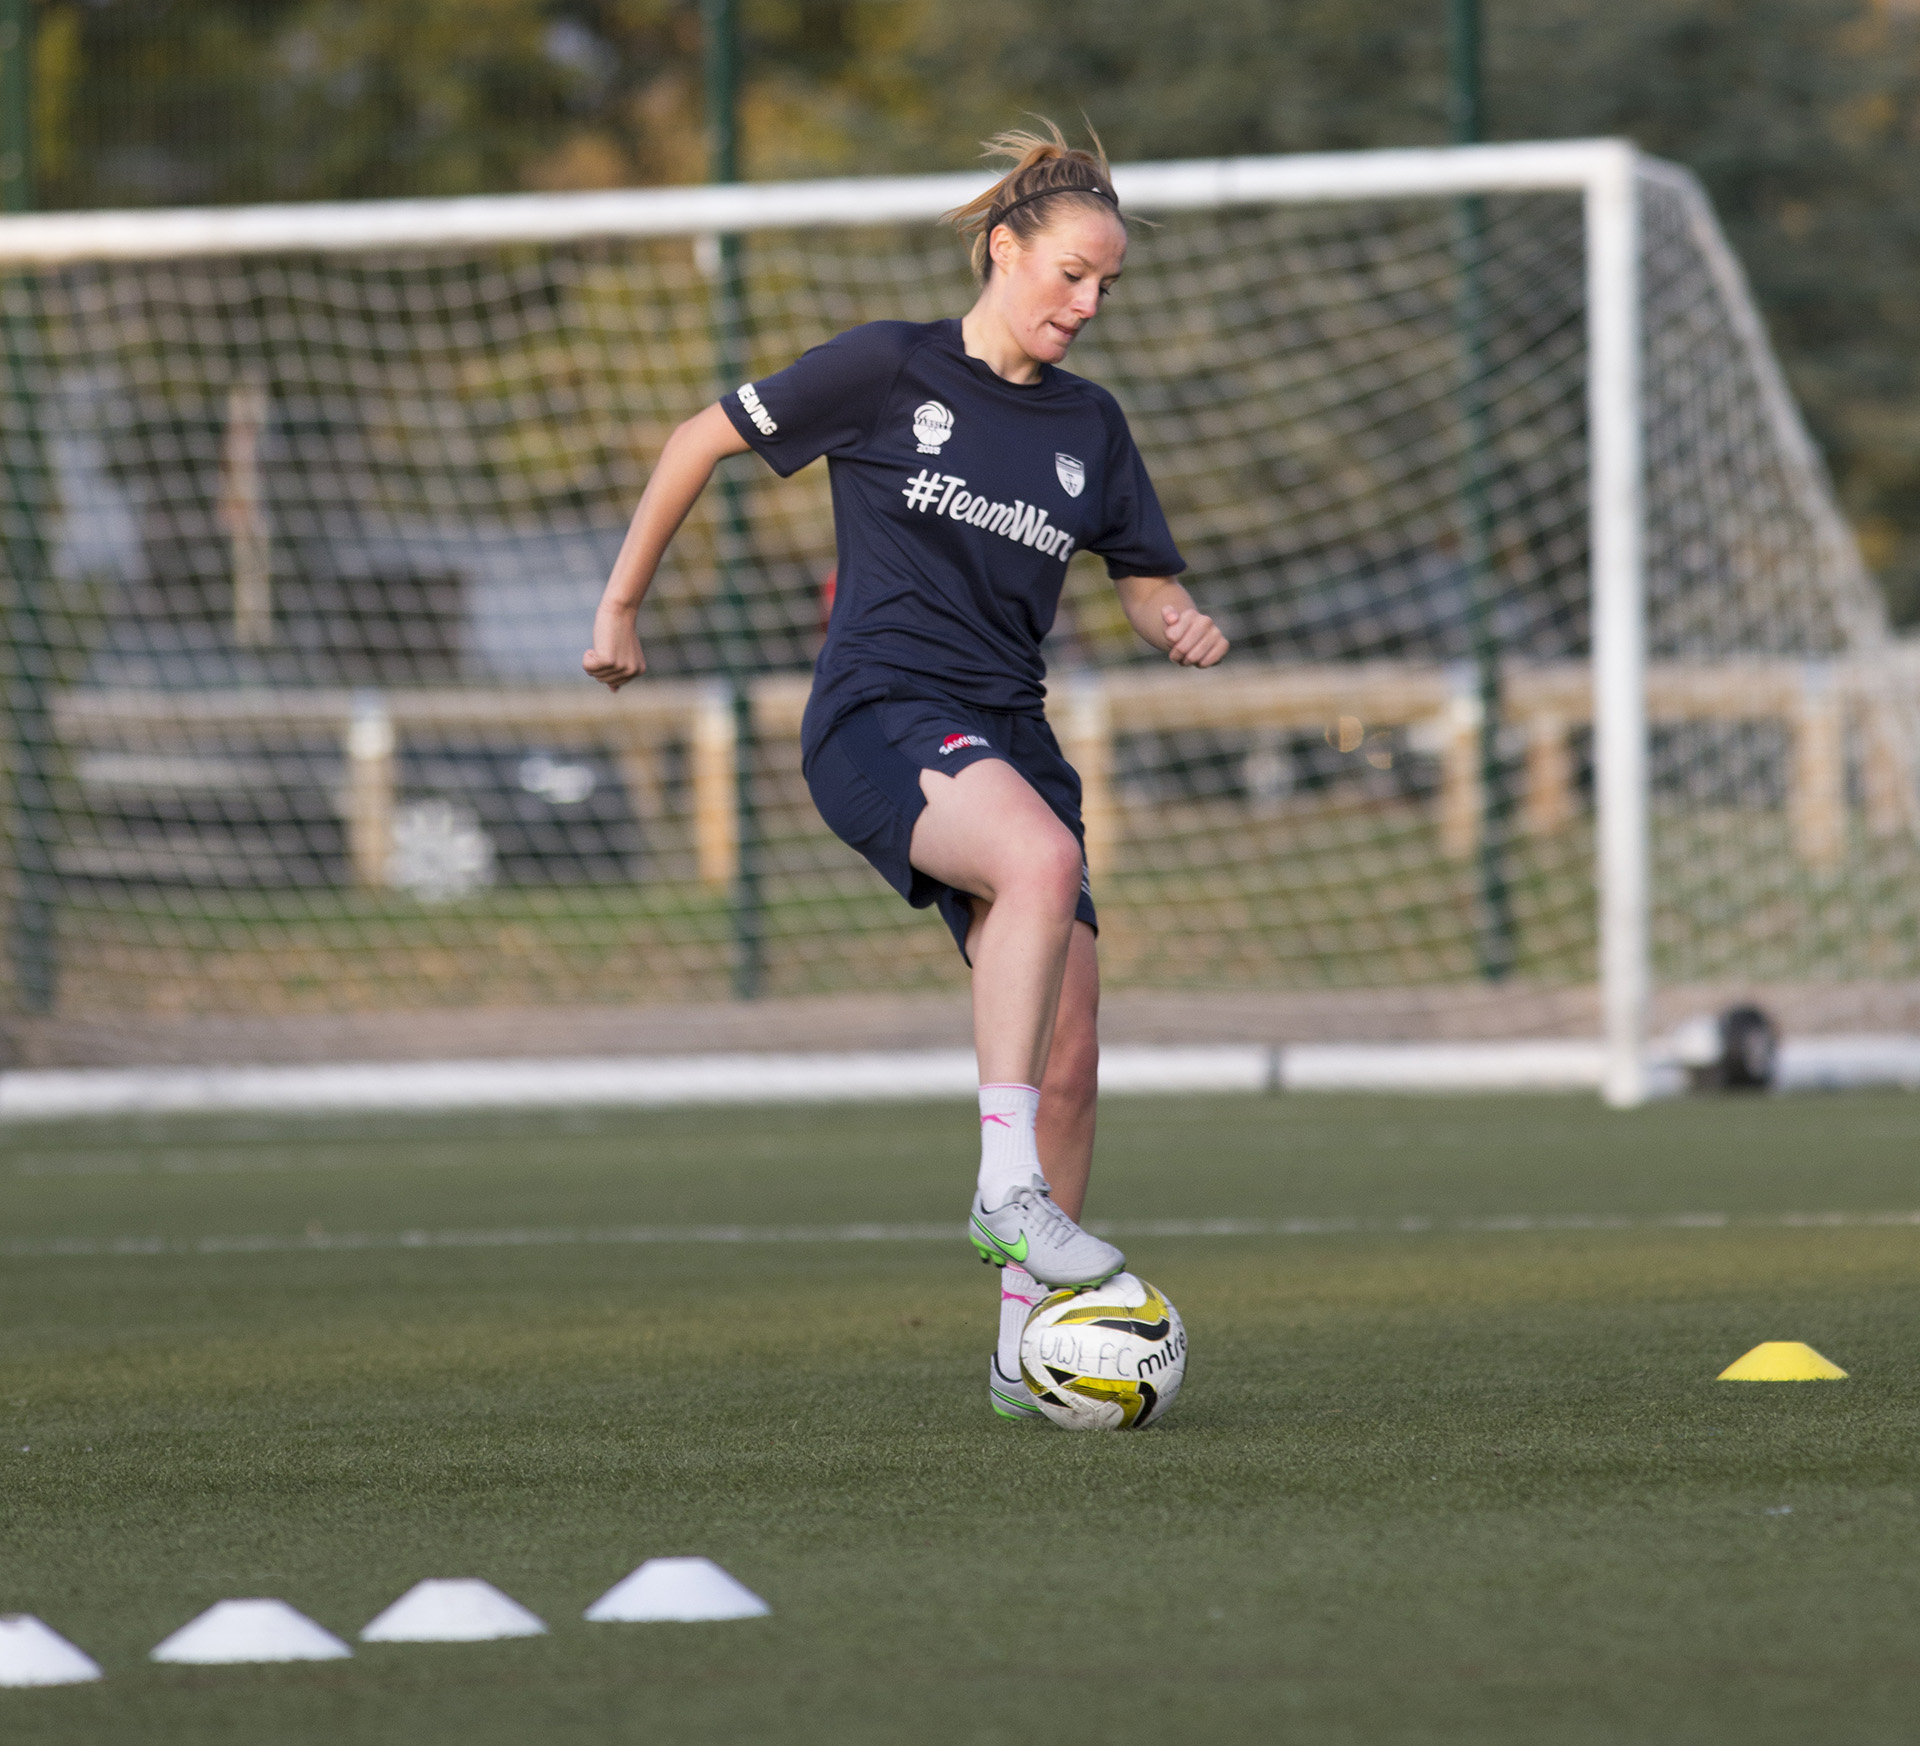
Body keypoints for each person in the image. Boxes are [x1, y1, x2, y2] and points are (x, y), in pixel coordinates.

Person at [584, 121, 1228, 1421]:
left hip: (1013, 734)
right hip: (880, 713)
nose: (1088, 303)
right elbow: (693, 440)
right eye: (1069, 275)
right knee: (1039, 861)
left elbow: (1144, 577)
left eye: (1107, 287)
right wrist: (620, 610)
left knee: (1072, 1055)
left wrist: (1177, 619)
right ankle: (1006, 1190)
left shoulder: (1092, 429)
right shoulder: (888, 369)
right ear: (1004, 249)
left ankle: (1017, 1354)